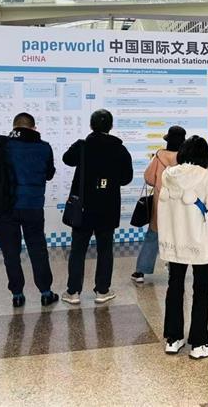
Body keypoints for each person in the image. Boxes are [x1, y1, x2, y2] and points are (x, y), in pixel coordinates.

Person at [157, 135, 208, 359]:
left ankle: (173, 338)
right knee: (201, 290)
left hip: (175, 242)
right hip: (199, 244)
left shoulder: (168, 174)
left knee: (174, 287)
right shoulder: (204, 176)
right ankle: (199, 342)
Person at [61, 109, 133, 305]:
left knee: (78, 250)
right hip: (108, 207)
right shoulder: (120, 149)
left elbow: (67, 159)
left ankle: (73, 292)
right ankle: (102, 290)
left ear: (91, 125)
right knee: (105, 250)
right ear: (111, 126)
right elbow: (126, 178)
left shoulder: (83, 146)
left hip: (83, 208)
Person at [0, 113, 57, 308]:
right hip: (33, 206)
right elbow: (49, 174)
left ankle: (17, 295)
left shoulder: (5, 146)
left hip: (7, 207)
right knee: (38, 250)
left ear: (14, 128)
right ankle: (45, 292)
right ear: (34, 128)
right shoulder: (44, 147)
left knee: (10, 252)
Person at [131, 125, 186, 284]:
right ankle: (175, 269)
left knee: (153, 235)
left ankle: (140, 272)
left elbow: (149, 178)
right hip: (180, 203)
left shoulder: (160, 155)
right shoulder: (186, 157)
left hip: (160, 202)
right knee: (177, 236)